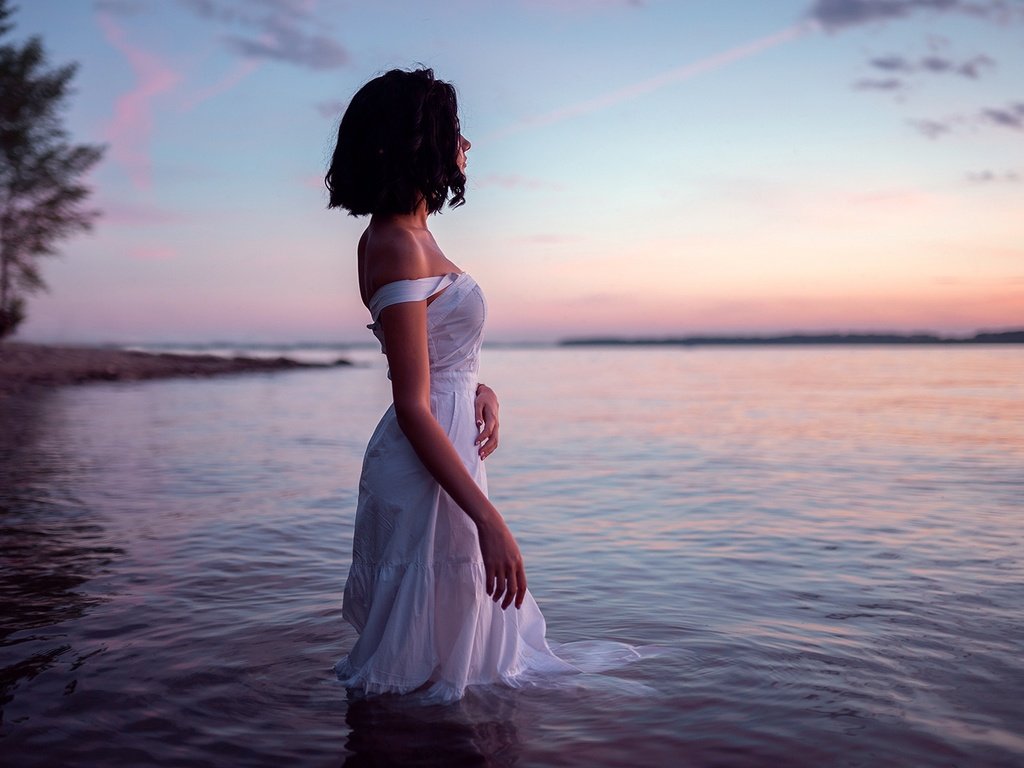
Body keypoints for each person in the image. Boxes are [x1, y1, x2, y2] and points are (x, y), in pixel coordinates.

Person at [325, 68, 574, 703]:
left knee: (450, 646)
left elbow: (432, 362)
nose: (467, 147)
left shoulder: (413, 236)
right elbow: (409, 402)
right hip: (424, 457)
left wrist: (478, 388)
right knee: (413, 665)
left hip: (446, 441)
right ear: (419, 140)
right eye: (455, 133)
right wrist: (490, 520)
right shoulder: (396, 243)